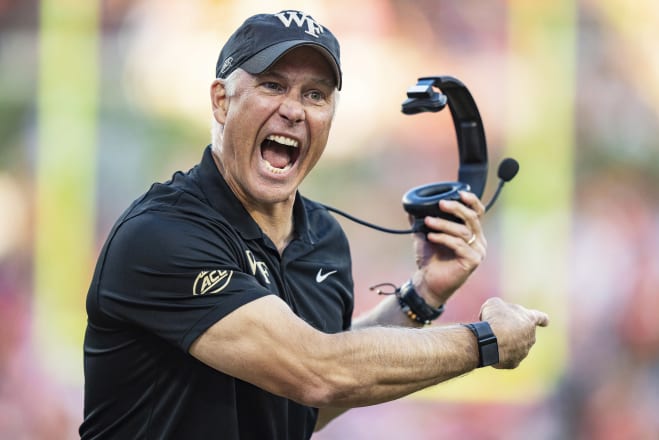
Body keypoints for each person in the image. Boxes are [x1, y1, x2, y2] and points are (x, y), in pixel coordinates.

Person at [79, 9, 549, 439]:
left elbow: (302, 404)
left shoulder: (323, 238)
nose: (294, 108)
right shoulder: (162, 235)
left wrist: (421, 297)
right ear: (221, 101)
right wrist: (485, 343)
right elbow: (314, 373)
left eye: (315, 94)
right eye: (272, 85)